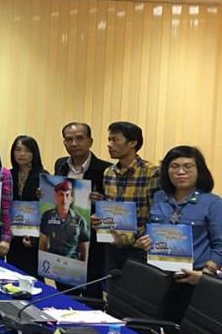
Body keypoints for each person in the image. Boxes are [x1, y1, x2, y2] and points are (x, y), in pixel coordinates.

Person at [133, 146, 222, 322]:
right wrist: (143, 242)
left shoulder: (213, 202)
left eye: (188, 166)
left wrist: (205, 275)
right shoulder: (159, 197)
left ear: (199, 170)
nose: (181, 172)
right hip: (157, 277)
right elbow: (150, 230)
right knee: (152, 326)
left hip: (193, 280)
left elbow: (219, 244)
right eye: (174, 166)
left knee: (182, 331)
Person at [54, 122, 111, 295]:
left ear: (90, 141)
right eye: (69, 139)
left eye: (79, 138)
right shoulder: (60, 165)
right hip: (64, 237)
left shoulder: (105, 169)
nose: (74, 143)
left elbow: (113, 206)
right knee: (64, 290)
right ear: (64, 143)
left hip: (91, 242)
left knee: (91, 292)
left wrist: (102, 201)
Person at [93, 121, 159, 270]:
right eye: (109, 140)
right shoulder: (109, 172)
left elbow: (155, 216)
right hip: (111, 244)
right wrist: (99, 219)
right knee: (111, 283)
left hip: (138, 247)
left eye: (115, 140)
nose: (109, 145)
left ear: (132, 143)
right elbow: (111, 207)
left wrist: (130, 238)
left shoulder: (152, 172)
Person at [8, 135, 48, 275]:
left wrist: (35, 238)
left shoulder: (43, 176)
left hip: (33, 237)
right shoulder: (8, 175)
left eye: (27, 150)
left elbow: (47, 211)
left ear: (34, 153)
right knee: (12, 272)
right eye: (18, 150)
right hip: (12, 235)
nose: (22, 154)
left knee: (32, 275)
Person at [38, 180, 90, 261]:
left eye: (67, 195)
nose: (64, 199)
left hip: (72, 263)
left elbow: (84, 251)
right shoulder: (47, 216)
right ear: (56, 197)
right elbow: (43, 242)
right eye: (61, 195)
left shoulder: (80, 221)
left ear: (71, 198)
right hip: (51, 262)